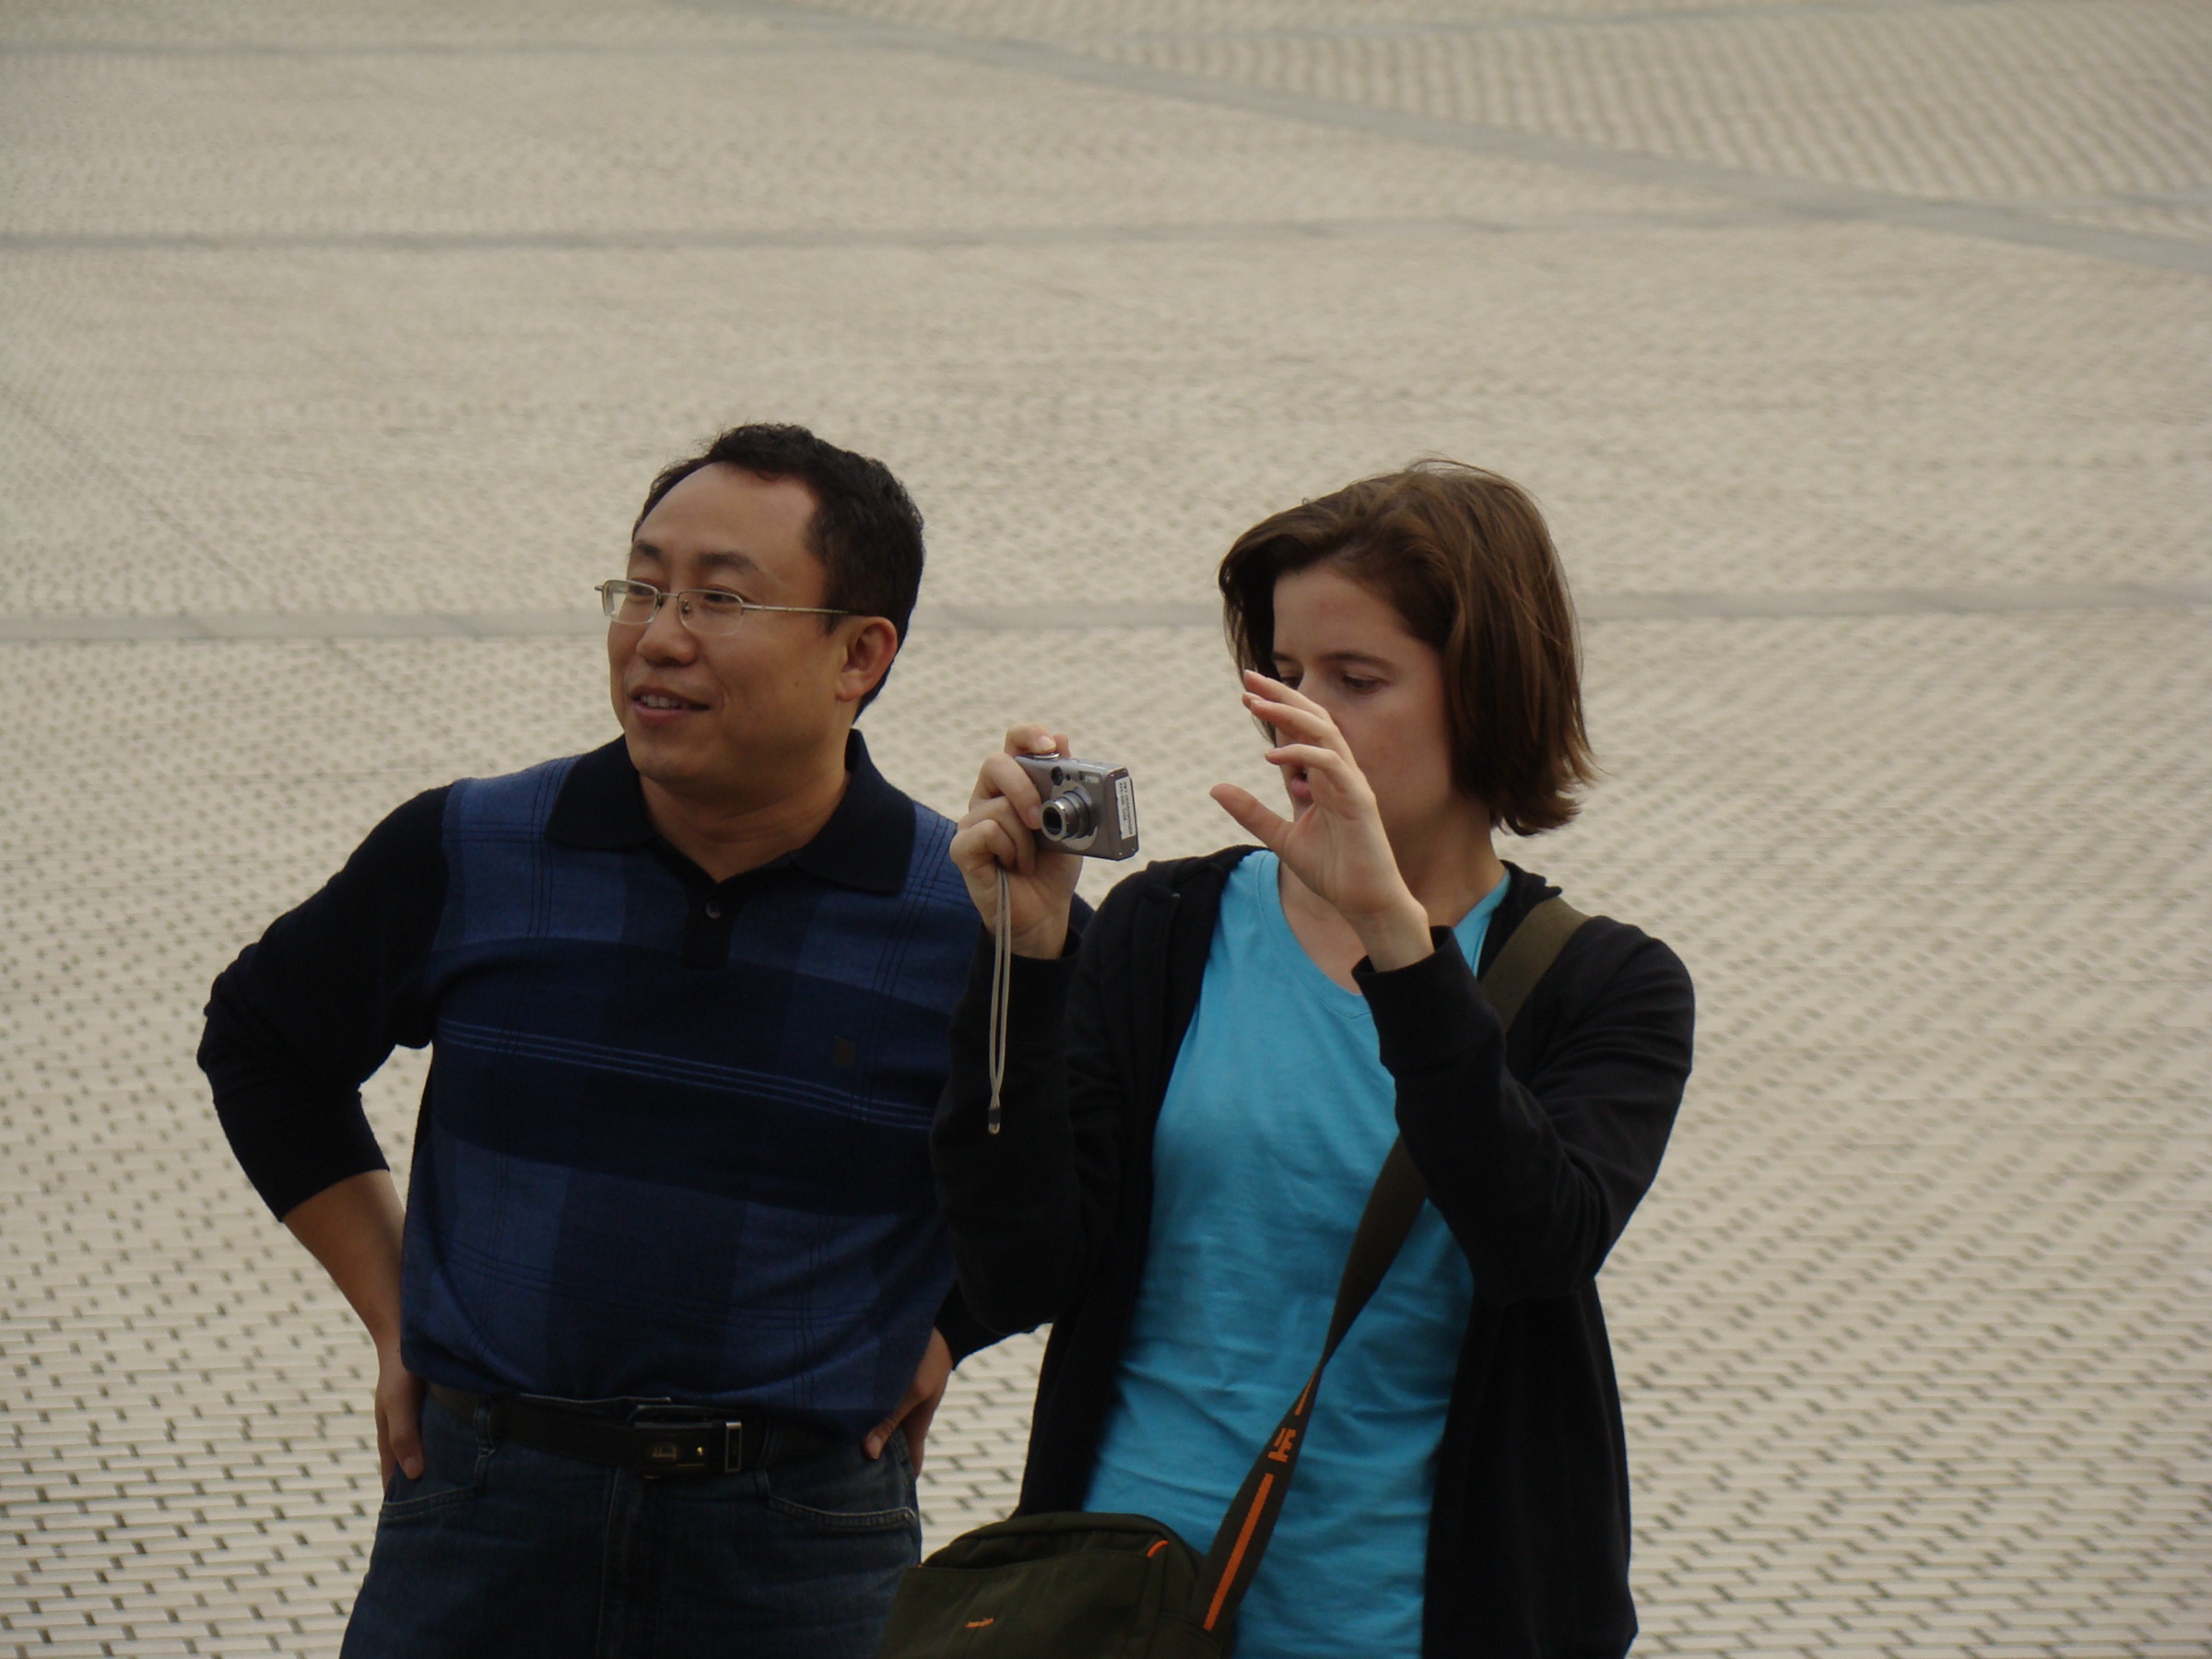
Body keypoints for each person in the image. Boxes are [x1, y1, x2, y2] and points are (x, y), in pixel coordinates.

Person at [198, 423, 998, 1659]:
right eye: (640, 586)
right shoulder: (471, 847)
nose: (657, 636)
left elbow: (1102, 1164)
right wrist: (394, 1308)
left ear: (860, 653)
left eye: (721, 599)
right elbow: (264, 1044)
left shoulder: (971, 917)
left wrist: (952, 1323)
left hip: (800, 1546)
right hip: (480, 1519)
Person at [933, 462, 1696, 1658]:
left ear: (1488, 692)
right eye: (1285, 675)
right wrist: (1025, 969)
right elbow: (1022, 1267)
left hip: (1406, 1621)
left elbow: (1536, 1243)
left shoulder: (1604, 985)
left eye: (1358, 679)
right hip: (1124, 1611)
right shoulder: (1169, 928)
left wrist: (1398, 941)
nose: (1302, 719)